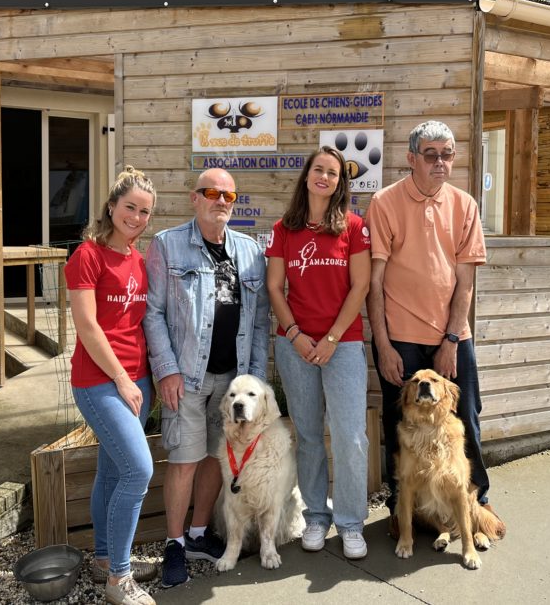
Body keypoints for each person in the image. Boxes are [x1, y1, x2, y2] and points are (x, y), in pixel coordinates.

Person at [365, 120, 504, 538]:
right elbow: (373, 285)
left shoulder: (465, 205)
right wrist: (384, 346)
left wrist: (451, 339)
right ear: (411, 159)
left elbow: (466, 283)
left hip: (452, 335)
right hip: (400, 337)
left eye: (447, 154)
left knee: (467, 416)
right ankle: (400, 506)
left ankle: (475, 499)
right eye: (431, 154)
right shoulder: (384, 203)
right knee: (399, 422)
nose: (440, 162)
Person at [143, 168, 270, 587]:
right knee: (183, 461)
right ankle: (175, 544)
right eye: (211, 193)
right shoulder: (167, 245)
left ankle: (198, 534)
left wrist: (253, 382)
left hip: (232, 381)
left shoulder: (250, 252)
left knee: (218, 457)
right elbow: (153, 313)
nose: (221, 201)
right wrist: (166, 370)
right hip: (188, 378)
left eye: (228, 196)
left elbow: (259, 323)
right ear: (194, 198)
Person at [265, 146, 372, 559]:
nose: (324, 177)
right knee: (308, 435)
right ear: (307, 176)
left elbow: (360, 286)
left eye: (332, 172)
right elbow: (275, 287)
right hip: (295, 346)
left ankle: (350, 523)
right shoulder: (283, 229)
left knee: (350, 437)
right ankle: (315, 516)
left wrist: (329, 339)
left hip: (341, 344)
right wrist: (295, 335)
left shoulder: (354, 227)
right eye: (318, 170)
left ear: (340, 182)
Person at [65, 166, 158, 605]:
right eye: (129, 208)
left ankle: (105, 556)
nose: (136, 218)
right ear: (111, 207)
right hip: (100, 383)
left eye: (144, 212)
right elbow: (87, 326)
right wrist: (121, 379)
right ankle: (119, 581)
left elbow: (139, 325)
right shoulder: (88, 255)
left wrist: (144, 378)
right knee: (139, 470)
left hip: (137, 381)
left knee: (112, 472)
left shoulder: (140, 260)